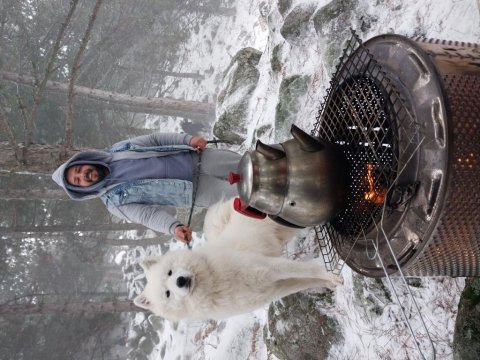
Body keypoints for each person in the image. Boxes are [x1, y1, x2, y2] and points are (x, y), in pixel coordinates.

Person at [51, 132, 241, 243]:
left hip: (197, 158)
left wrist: (188, 140)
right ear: (82, 189)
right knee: (247, 194)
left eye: (79, 169)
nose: (83, 175)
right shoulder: (115, 202)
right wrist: (173, 227)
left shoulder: (119, 150)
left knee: (253, 165)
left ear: (83, 161)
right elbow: (147, 216)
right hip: (197, 191)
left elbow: (154, 140)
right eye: (78, 180)